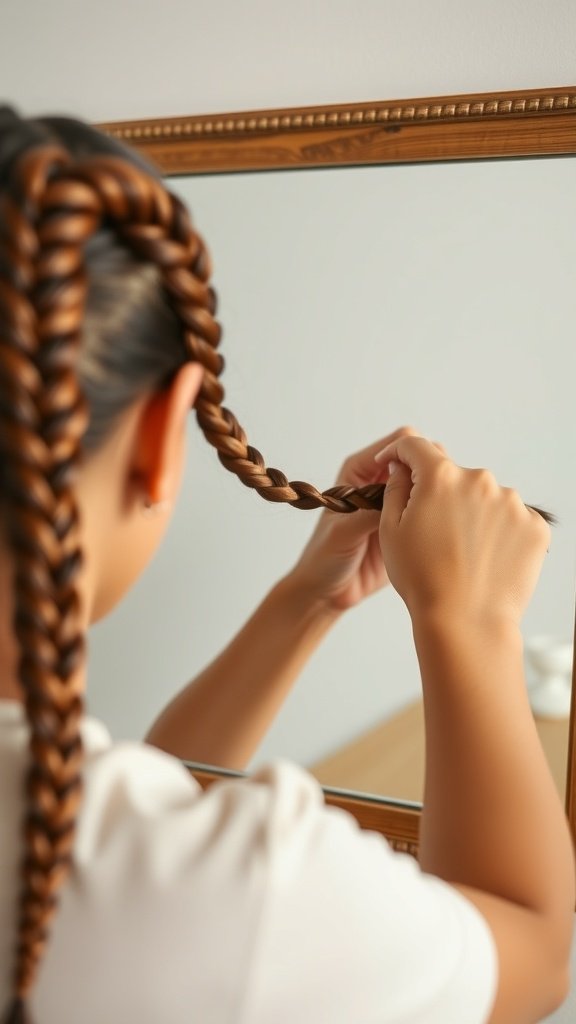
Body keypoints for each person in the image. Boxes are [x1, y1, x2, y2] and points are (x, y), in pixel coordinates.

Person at [0, 108, 573, 1024]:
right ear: (163, 429)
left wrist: (306, 601)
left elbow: (154, 804)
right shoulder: (229, 894)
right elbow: (532, 954)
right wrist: (470, 622)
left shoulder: (101, 850)